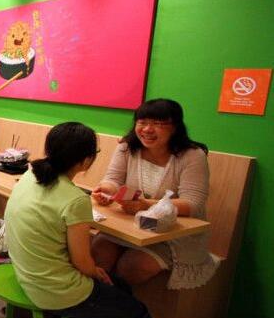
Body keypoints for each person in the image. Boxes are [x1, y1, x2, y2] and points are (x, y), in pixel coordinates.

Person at [5, 122, 168, 318]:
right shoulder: (75, 200)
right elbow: (82, 262)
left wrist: (95, 272)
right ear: (86, 161)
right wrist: (95, 272)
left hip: (26, 273)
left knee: (119, 288)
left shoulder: (30, 175)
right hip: (53, 290)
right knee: (138, 316)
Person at [91, 99, 215, 288]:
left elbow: (193, 204)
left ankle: (116, 302)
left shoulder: (192, 155)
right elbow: (113, 180)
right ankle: (99, 302)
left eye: (158, 124)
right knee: (98, 252)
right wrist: (105, 190)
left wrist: (146, 205)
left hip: (171, 234)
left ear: (175, 127)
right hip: (130, 225)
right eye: (142, 122)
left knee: (132, 266)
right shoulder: (127, 147)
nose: (147, 129)